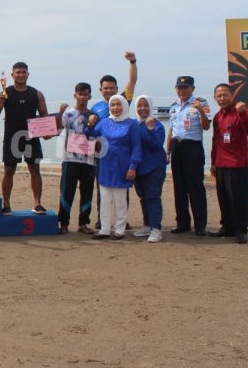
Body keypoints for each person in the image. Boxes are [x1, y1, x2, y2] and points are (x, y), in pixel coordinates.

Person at [0, 62, 52, 214]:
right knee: (9, 171)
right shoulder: (6, 92)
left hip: (32, 137)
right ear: (12, 75)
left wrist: (48, 130)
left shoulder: (36, 94)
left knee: (35, 171)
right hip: (12, 137)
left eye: (24, 72)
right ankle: (6, 204)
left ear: (28, 74)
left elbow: (44, 114)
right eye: (18, 72)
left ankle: (37, 203)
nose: (21, 75)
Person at [92, 52, 138, 230]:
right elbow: (90, 130)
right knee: (102, 188)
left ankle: (122, 221)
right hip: (102, 155)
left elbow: (132, 81)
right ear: (100, 89)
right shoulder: (95, 107)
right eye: (105, 88)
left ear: (117, 88)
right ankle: (100, 219)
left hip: (121, 155)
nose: (109, 91)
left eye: (112, 88)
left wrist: (133, 62)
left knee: (122, 190)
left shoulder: (121, 101)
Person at [85, 95, 141, 240]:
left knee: (120, 200)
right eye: (112, 105)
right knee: (104, 199)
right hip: (105, 165)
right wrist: (90, 125)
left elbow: (136, 147)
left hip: (122, 167)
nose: (115, 108)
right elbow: (91, 135)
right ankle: (104, 229)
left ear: (124, 106)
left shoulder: (131, 124)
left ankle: (119, 229)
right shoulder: (104, 122)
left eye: (118, 105)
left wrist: (133, 166)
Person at [210, 83, 248, 244]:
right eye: (219, 96)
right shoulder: (217, 116)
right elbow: (215, 141)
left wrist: (244, 113)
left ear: (231, 96)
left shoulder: (239, 112)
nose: (222, 98)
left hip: (237, 163)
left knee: (239, 199)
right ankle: (227, 227)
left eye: (225, 95)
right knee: (224, 198)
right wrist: (213, 162)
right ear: (215, 98)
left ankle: (241, 230)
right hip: (221, 163)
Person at [166, 76, 211, 236]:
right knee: (179, 187)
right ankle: (183, 223)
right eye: (179, 87)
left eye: (185, 87)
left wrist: (199, 110)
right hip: (177, 148)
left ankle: (200, 225)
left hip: (193, 147)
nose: (182, 90)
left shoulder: (201, 103)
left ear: (192, 88)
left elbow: (206, 127)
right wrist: (168, 151)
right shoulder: (173, 107)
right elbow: (171, 130)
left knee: (195, 187)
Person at [56, 83, 96, 234]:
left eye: (85, 94)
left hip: (89, 160)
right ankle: (64, 223)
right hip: (70, 159)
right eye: (80, 94)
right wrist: (60, 113)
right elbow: (59, 129)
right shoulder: (68, 114)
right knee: (67, 191)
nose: (82, 97)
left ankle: (83, 223)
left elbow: (97, 134)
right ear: (75, 95)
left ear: (89, 96)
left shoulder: (94, 115)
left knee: (87, 192)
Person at [132, 95, 166, 243]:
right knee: (143, 197)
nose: (142, 108)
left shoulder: (157, 124)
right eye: (139, 105)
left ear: (150, 107)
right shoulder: (134, 124)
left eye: (145, 105)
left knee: (153, 197)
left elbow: (157, 145)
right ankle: (147, 225)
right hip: (139, 168)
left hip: (154, 167)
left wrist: (151, 129)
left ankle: (156, 229)